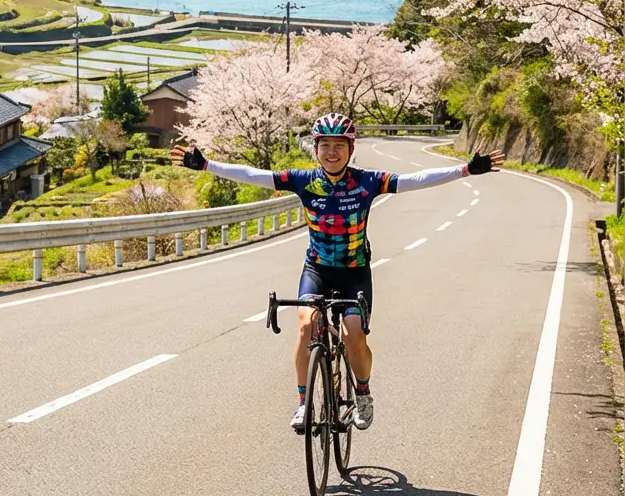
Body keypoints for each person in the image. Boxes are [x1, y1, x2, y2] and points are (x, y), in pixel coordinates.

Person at [171, 113, 504, 432]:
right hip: (316, 268)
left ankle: (362, 393)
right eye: (325, 146)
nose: (332, 152)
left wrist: (464, 170)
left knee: (353, 336)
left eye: (339, 146)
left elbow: (415, 180)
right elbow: (255, 174)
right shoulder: (304, 181)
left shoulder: (368, 182)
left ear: (350, 150)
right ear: (315, 149)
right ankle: (304, 404)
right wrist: (205, 165)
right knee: (305, 329)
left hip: (354, 272)